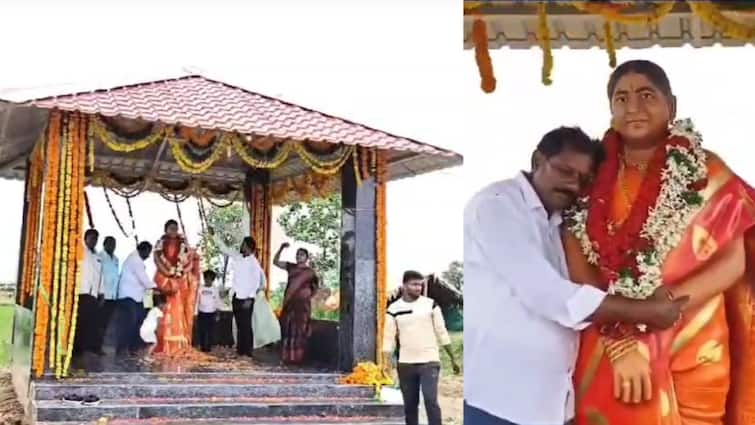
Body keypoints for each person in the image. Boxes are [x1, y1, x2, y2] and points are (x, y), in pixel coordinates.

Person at [562, 60, 755, 425]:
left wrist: (663, 304)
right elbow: (578, 270)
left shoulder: (706, 171)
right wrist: (621, 340)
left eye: (646, 94)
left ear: (673, 105)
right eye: (621, 98)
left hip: (697, 338)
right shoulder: (589, 175)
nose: (633, 107)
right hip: (611, 344)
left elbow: (734, 262)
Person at [463, 126, 690, 425]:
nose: (572, 185)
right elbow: (548, 295)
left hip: (551, 405)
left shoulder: (559, 222)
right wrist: (648, 311)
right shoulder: (496, 205)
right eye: (564, 170)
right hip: (502, 403)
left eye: (583, 179)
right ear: (537, 160)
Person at [382, 270, 461, 425]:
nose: (418, 288)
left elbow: (442, 332)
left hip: (429, 361)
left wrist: (453, 359)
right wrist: (385, 363)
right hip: (405, 364)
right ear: (404, 285)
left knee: (431, 400)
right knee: (410, 406)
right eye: (414, 284)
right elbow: (388, 338)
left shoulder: (431, 305)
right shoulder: (393, 309)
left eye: (420, 285)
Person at [208, 227, 265, 357]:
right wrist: (214, 235)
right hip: (236, 296)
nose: (241, 246)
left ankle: (248, 352)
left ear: (249, 247)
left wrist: (250, 299)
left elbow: (256, 282)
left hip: (247, 298)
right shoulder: (238, 256)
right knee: (239, 325)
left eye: (243, 244)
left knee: (246, 326)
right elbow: (224, 249)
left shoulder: (254, 263)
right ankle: (240, 351)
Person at [153, 219, 201, 356]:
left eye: (175, 228)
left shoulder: (183, 243)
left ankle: (180, 345)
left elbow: (189, 261)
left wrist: (181, 271)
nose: (174, 230)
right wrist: (169, 273)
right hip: (167, 281)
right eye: (171, 228)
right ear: (165, 230)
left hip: (181, 283)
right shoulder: (160, 244)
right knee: (168, 313)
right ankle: (167, 346)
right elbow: (157, 259)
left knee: (181, 313)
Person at [274, 243, 319, 364]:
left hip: (303, 306)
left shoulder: (310, 272)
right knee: (288, 329)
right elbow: (275, 262)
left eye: (302, 255)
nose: (299, 257)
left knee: (300, 331)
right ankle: (286, 357)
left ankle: (298, 358)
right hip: (290, 304)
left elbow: (315, 288)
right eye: (297, 255)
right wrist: (281, 248)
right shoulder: (291, 267)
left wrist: (306, 297)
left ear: (306, 258)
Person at [116, 241, 156, 356]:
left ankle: (133, 347)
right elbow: (144, 280)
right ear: (142, 250)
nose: (148, 256)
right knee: (129, 323)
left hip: (137, 298)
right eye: (147, 253)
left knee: (138, 321)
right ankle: (122, 349)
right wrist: (158, 288)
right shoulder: (135, 260)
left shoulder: (138, 261)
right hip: (128, 297)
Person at [74, 228, 104, 356]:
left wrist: (102, 293)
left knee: (94, 323)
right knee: (80, 322)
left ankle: (92, 347)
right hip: (81, 291)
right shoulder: (79, 252)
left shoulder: (98, 256)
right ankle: (76, 350)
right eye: (91, 238)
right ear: (85, 239)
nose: (93, 241)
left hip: (93, 294)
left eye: (96, 239)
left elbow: (100, 276)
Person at [94, 235, 119, 355]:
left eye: (114, 244)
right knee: (99, 323)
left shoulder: (116, 259)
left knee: (106, 323)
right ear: (104, 244)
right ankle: (96, 347)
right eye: (110, 243)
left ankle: (99, 346)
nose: (112, 246)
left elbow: (115, 278)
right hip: (102, 295)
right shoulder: (99, 257)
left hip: (113, 296)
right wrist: (101, 293)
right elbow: (99, 276)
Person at [196, 269, 222, 353]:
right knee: (202, 330)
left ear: (213, 280)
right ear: (204, 279)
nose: (208, 280)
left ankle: (209, 346)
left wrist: (218, 313)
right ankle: (203, 346)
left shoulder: (215, 289)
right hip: (202, 312)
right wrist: (195, 312)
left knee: (210, 331)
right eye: (206, 278)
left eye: (210, 279)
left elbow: (217, 301)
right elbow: (196, 300)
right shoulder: (200, 288)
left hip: (211, 313)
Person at [140, 293, 167, 361]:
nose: (166, 307)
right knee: (154, 343)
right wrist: (158, 333)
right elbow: (158, 324)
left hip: (143, 329)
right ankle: (146, 357)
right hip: (148, 331)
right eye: (165, 305)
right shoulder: (159, 312)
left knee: (150, 344)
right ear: (161, 304)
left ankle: (144, 356)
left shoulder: (153, 310)